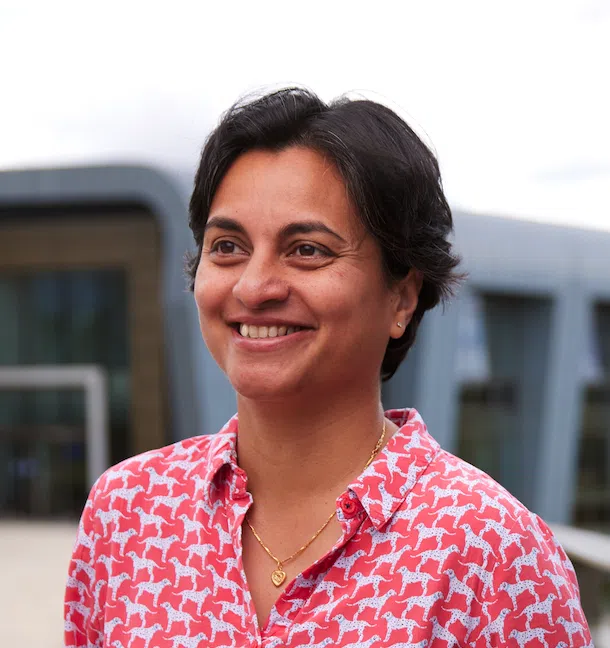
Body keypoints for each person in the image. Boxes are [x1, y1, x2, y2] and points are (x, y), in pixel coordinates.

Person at [65, 87, 592, 647]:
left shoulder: (494, 554)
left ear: (402, 298)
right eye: (227, 247)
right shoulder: (128, 514)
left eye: (307, 250)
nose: (254, 286)